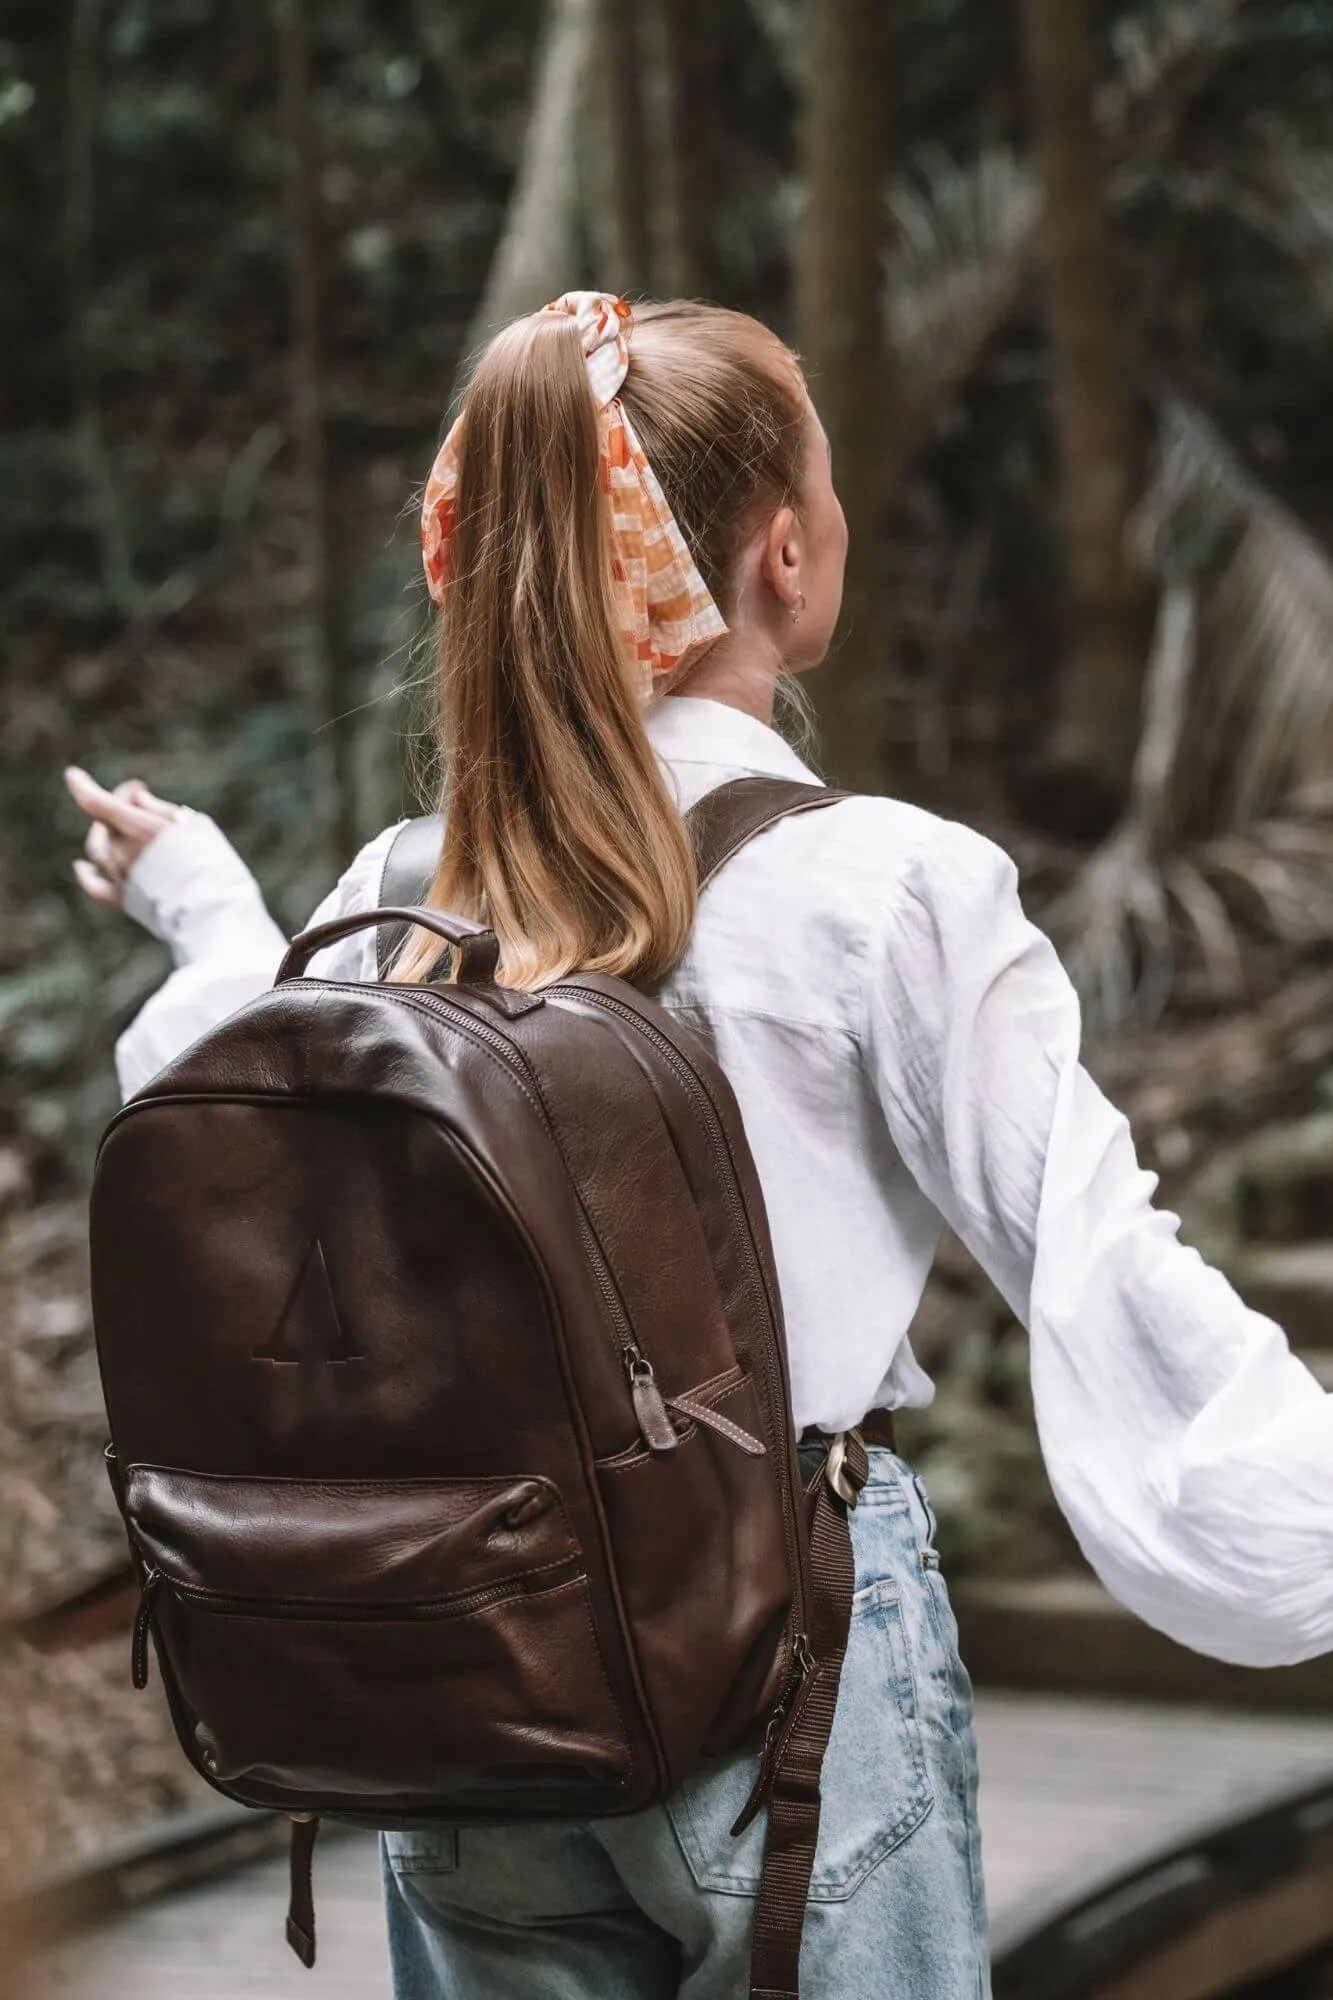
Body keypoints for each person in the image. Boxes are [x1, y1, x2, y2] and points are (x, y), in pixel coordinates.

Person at [66, 293, 1333, 2000]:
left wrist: (207, 907)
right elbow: (1099, 1263)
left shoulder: (397, 886)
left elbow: (234, 1090)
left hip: (467, 1675)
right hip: (782, 1670)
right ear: (779, 562)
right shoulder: (883, 886)